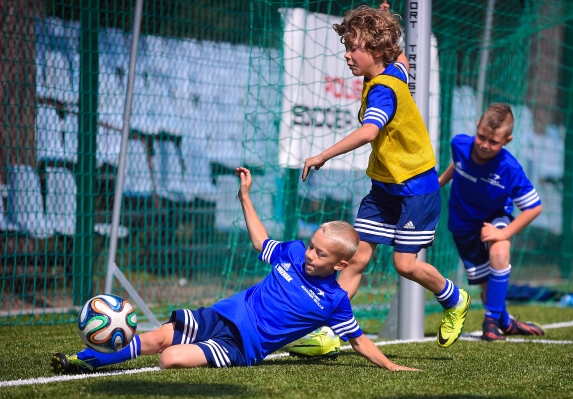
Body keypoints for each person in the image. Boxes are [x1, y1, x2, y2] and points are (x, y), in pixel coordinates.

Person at [51, 167, 418, 373]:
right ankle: (84, 360)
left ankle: (184, 349)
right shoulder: (290, 253)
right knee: (159, 338)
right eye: (311, 246)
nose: (309, 255)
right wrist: (245, 197)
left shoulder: (335, 300)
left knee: (170, 358)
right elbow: (261, 242)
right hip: (223, 314)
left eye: (319, 255)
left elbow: (359, 340)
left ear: (338, 265)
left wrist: (391, 366)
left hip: (243, 345)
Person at [294, 4, 470, 357]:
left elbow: (369, 131)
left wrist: (322, 155)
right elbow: (402, 56)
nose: (346, 55)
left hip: (416, 188)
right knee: (356, 258)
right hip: (384, 186)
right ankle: (331, 332)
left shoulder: (383, 90)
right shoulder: (394, 71)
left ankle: (455, 298)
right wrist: (384, 19)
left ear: (375, 51)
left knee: (404, 264)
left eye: (352, 47)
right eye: (345, 46)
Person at [438, 103, 545, 342]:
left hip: (496, 217)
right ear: (477, 128)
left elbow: (534, 207)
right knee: (488, 290)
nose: (485, 145)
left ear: (507, 140)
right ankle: (506, 322)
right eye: (482, 137)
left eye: (493, 142)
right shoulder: (459, 144)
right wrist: (437, 184)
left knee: (499, 253)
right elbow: (457, 164)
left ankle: (491, 324)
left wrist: (503, 233)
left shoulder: (510, 169)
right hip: (462, 223)